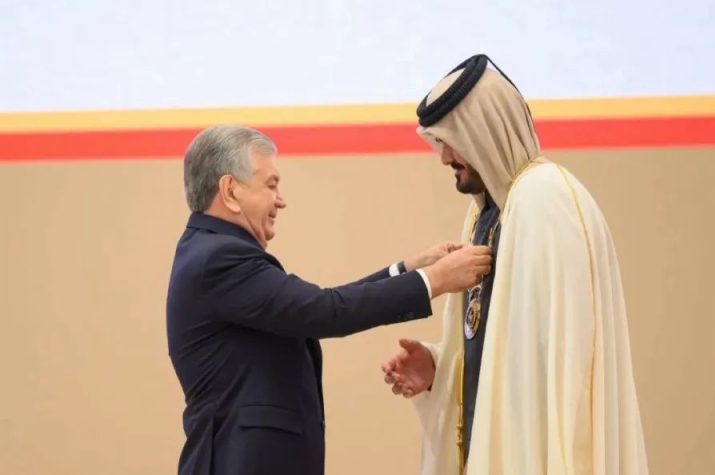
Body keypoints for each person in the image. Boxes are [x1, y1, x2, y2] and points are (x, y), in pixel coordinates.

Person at [165, 124, 494, 475]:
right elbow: (325, 312)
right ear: (230, 190)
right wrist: (437, 279)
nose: (280, 200)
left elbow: (319, 307)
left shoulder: (210, 252)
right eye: (271, 185)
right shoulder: (220, 258)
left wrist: (409, 269)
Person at [381, 54, 648, 474]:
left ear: (483, 134)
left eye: (450, 141)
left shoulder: (545, 199)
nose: (445, 157)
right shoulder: (485, 215)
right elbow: (498, 349)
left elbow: (561, 365)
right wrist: (440, 371)